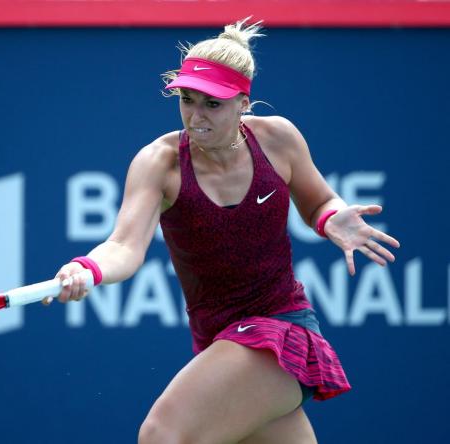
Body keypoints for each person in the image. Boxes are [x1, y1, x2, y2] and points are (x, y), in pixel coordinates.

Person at [46, 19, 400, 444]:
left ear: (243, 103)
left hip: (281, 327)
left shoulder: (279, 139)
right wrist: (87, 268)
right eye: (187, 100)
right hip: (218, 340)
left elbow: (319, 201)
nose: (196, 117)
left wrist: (331, 216)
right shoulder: (158, 163)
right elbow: (124, 245)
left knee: (162, 435)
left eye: (212, 104)